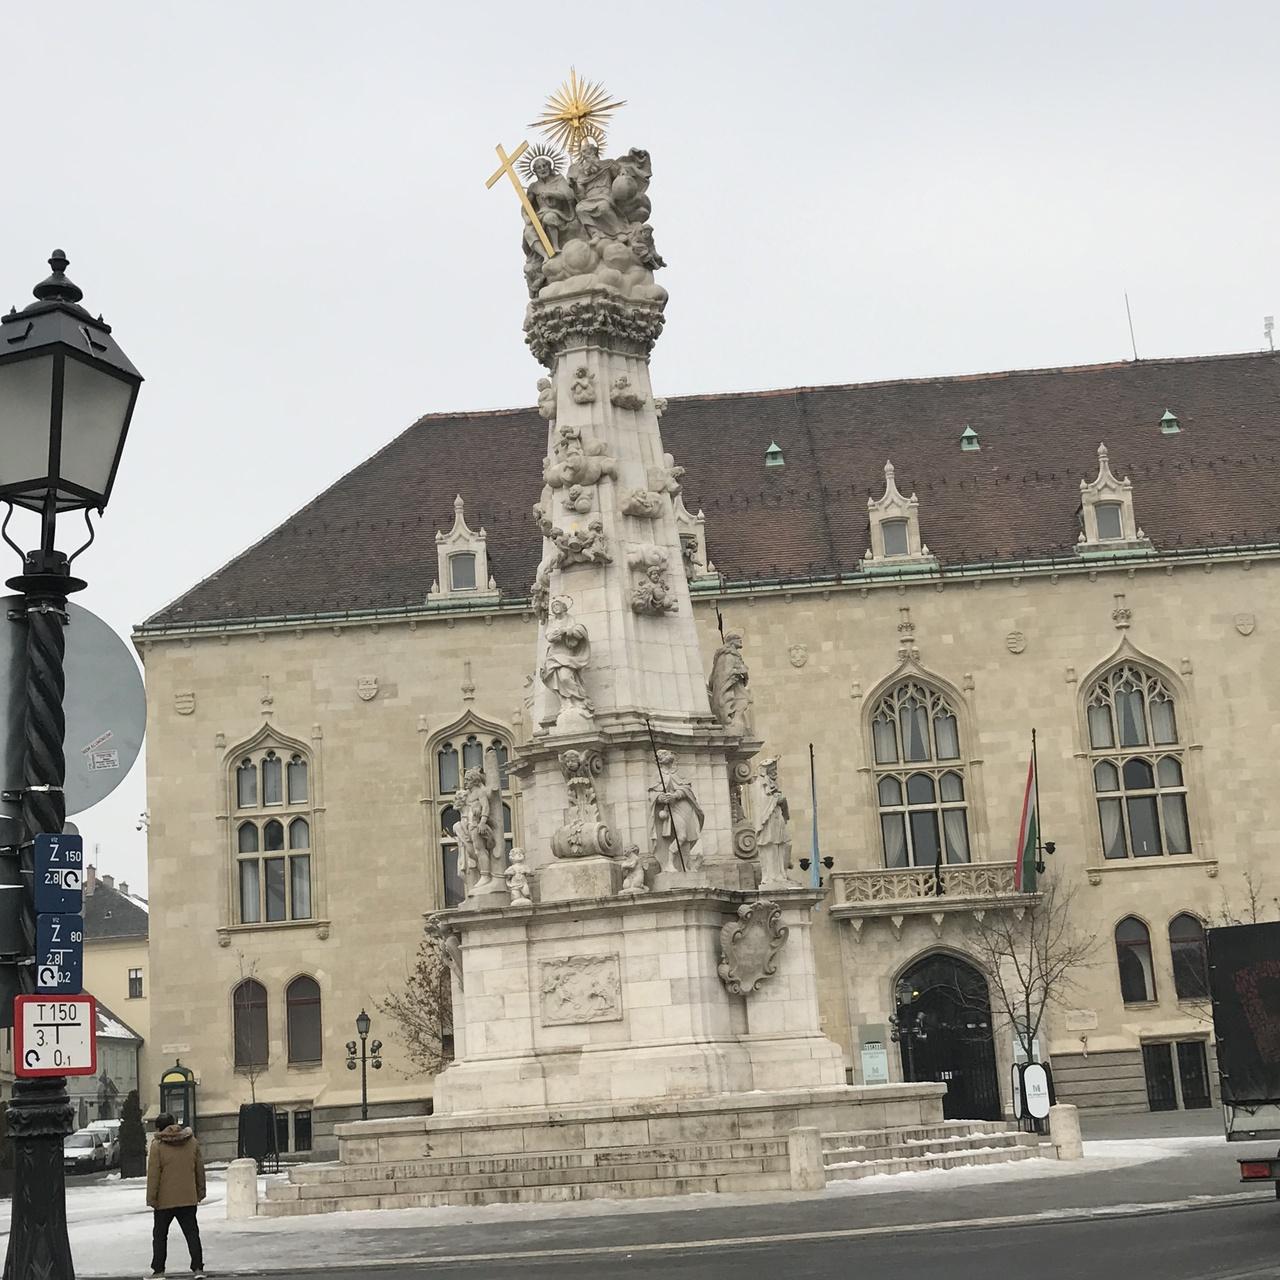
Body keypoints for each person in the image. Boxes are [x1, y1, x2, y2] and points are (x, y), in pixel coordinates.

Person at [145, 1112, 206, 1279]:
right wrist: (200, 1191)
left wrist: (151, 1198)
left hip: (164, 1200)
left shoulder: (157, 1146)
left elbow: (154, 1174)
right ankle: (198, 1268)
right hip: (188, 1197)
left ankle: (158, 1270)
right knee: (192, 1233)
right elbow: (199, 1169)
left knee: (160, 1236)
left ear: (159, 1128)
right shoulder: (192, 1142)